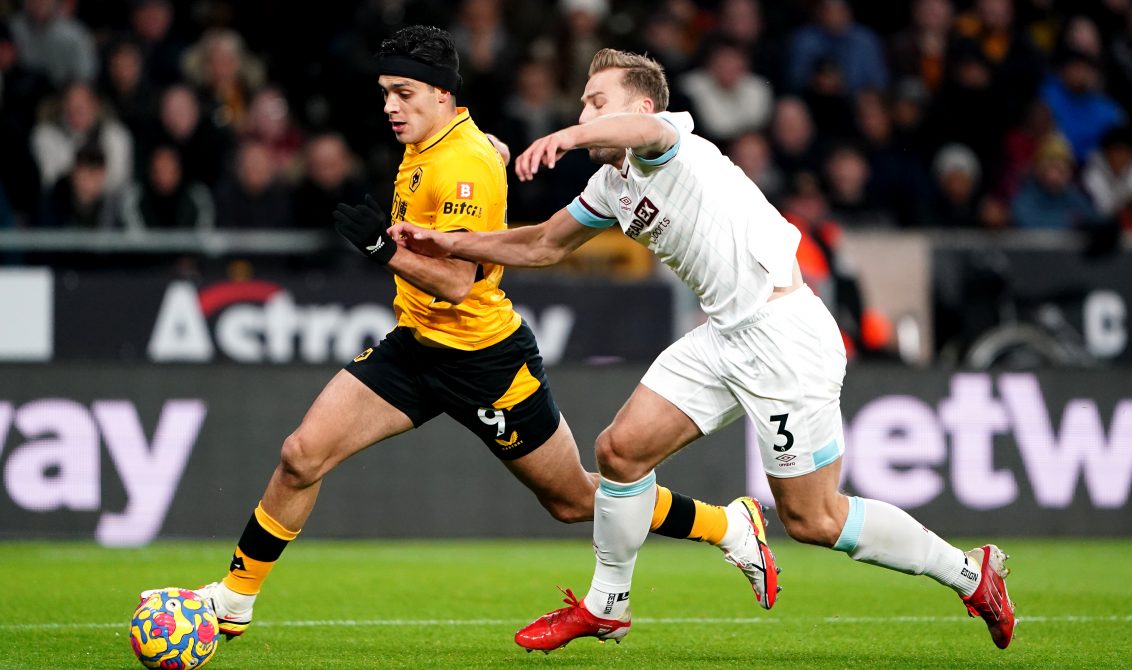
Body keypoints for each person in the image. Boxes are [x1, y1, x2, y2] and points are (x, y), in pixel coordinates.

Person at [157, 26, 772, 642]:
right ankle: (235, 600)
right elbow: (478, 161)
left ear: (443, 94)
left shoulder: (463, 163)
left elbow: (456, 283)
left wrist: (380, 249)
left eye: (403, 93)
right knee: (300, 456)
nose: (391, 106)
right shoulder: (441, 141)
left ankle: (727, 526)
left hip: (485, 360)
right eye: (385, 93)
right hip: (417, 346)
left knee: (576, 502)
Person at [390, 48, 1016, 652]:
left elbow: (640, 128)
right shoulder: (613, 185)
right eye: (580, 106)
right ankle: (607, 606)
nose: (584, 115)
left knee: (814, 521)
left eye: (595, 103)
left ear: (636, 105)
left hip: (783, 339)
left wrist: (565, 138)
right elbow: (540, 246)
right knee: (620, 450)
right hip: (723, 336)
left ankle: (970, 573)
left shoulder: (671, 141)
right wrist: (445, 243)